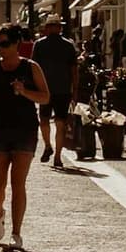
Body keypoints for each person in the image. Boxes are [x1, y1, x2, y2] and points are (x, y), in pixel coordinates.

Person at [0, 22, 48, 250]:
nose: (1, 48)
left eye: (6, 43)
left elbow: (45, 97)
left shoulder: (31, 67)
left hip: (24, 130)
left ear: (17, 42)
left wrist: (24, 91)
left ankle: (16, 233)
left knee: (18, 183)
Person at [33, 17, 81, 168]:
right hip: (62, 89)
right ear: (59, 28)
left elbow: (33, 67)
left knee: (44, 120)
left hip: (45, 89)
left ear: (46, 28)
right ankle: (58, 156)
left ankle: (48, 146)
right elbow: (74, 70)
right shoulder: (68, 45)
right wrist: (75, 90)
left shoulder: (39, 44)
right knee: (60, 123)